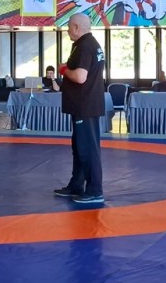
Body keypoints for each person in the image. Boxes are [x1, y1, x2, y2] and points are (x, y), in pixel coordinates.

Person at [54, 13, 106, 205]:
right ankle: (76, 184)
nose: (67, 30)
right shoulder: (89, 44)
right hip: (84, 104)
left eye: (69, 27)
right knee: (79, 147)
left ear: (77, 27)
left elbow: (80, 77)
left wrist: (63, 70)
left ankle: (95, 190)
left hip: (85, 105)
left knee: (87, 149)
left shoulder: (85, 46)